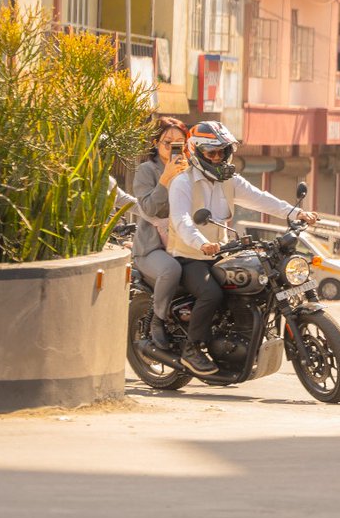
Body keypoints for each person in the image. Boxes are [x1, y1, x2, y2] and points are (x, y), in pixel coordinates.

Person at [168, 121, 317, 376]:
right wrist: (201, 243)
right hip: (190, 256)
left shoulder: (230, 181)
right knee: (211, 294)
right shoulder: (182, 183)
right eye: (211, 152)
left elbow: (260, 198)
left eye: (222, 152)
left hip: (222, 253)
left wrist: (296, 213)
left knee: (255, 285)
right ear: (196, 152)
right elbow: (181, 220)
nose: (217, 158)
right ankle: (192, 350)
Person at [131, 117, 189, 348]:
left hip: (186, 241)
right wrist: (166, 178)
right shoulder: (146, 170)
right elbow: (150, 209)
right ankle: (158, 320)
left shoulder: (191, 168)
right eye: (168, 142)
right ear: (156, 143)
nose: (174, 148)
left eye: (180, 143)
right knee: (170, 269)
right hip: (153, 248)